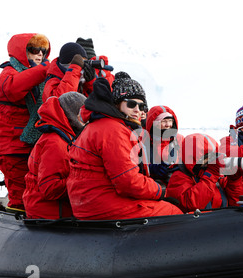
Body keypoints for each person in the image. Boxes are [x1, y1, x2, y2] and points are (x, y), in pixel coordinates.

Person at [67, 73, 183, 220]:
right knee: (175, 212)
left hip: (89, 200)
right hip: (101, 204)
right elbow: (127, 181)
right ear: (117, 104)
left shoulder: (100, 125)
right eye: (131, 104)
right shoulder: (113, 130)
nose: (137, 110)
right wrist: (160, 191)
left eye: (141, 106)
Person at [0, 33, 51, 212]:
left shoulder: (39, 75)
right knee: (20, 194)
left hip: (29, 144)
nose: (40, 54)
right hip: (11, 147)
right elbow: (14, 88)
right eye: (34, 49)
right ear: (21, 51)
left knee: (33, 191)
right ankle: (16, 228)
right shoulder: (8, 74)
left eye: (44, 50)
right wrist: (46, 69)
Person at [23, 92, 87, 219]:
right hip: (50, 213)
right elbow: (49, 188)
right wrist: (85, 181)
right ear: (75, 117)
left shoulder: (64, 137)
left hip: (51, 209)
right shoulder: (55, 143)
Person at [166, 133, 243, 213]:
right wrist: (210, 175)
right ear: (193, 158)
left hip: (220, 221)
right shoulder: (178, 177)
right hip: (197, 223)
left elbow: (235, 203)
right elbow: (191, 205)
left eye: (214, 157)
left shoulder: (217, 175)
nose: (210, 161)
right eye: (207, 158)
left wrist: (234, 181)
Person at [145, 105, 184, 187]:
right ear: (154, 122)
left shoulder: (179, 139)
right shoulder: (144, 140)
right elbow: (136, 163)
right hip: (152, 182)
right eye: (163, 121)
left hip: (176, 180)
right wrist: (152, 168)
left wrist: (179, 168)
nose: (168, 125)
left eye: (170, 121)